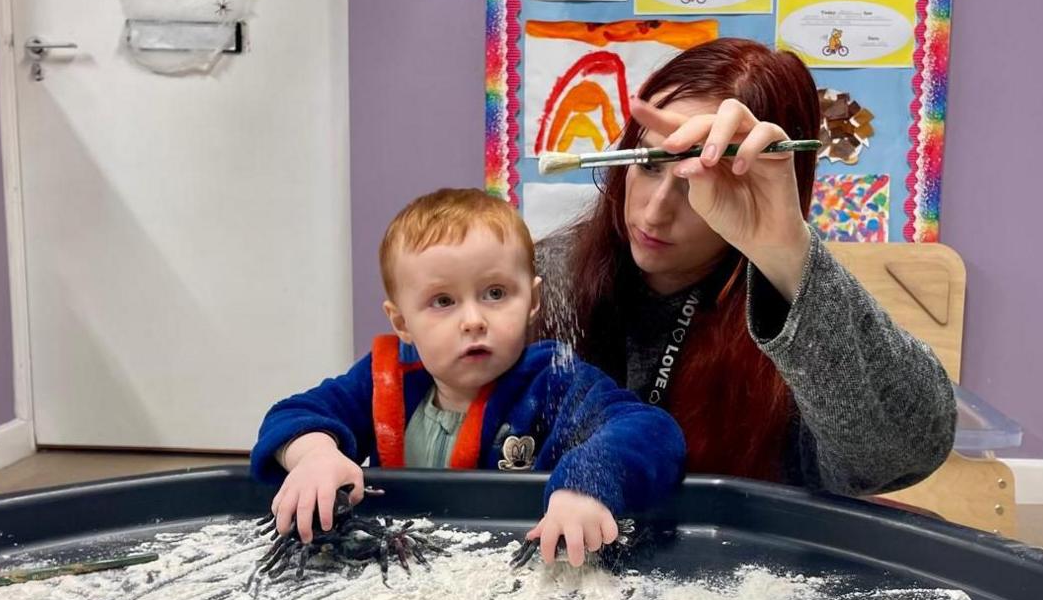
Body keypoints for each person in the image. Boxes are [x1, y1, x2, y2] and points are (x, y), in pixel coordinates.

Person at [534, 38, 956, 496]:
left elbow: (901, 454)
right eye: (649, 164)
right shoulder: (547, 279)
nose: (655, 211)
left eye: (700, 180)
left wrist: (786, 254)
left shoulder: (795, 321)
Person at [251, 188, 686, 567]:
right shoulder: (388, 378)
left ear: (532, 299)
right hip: (400, 565)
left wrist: (586, 486)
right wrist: (314, 456)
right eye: (443, 301)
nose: (474, 320)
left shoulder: (555, 381)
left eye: (496, 294)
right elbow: (294, 414)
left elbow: (650, 430)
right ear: (402, 321)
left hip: (519, 565)